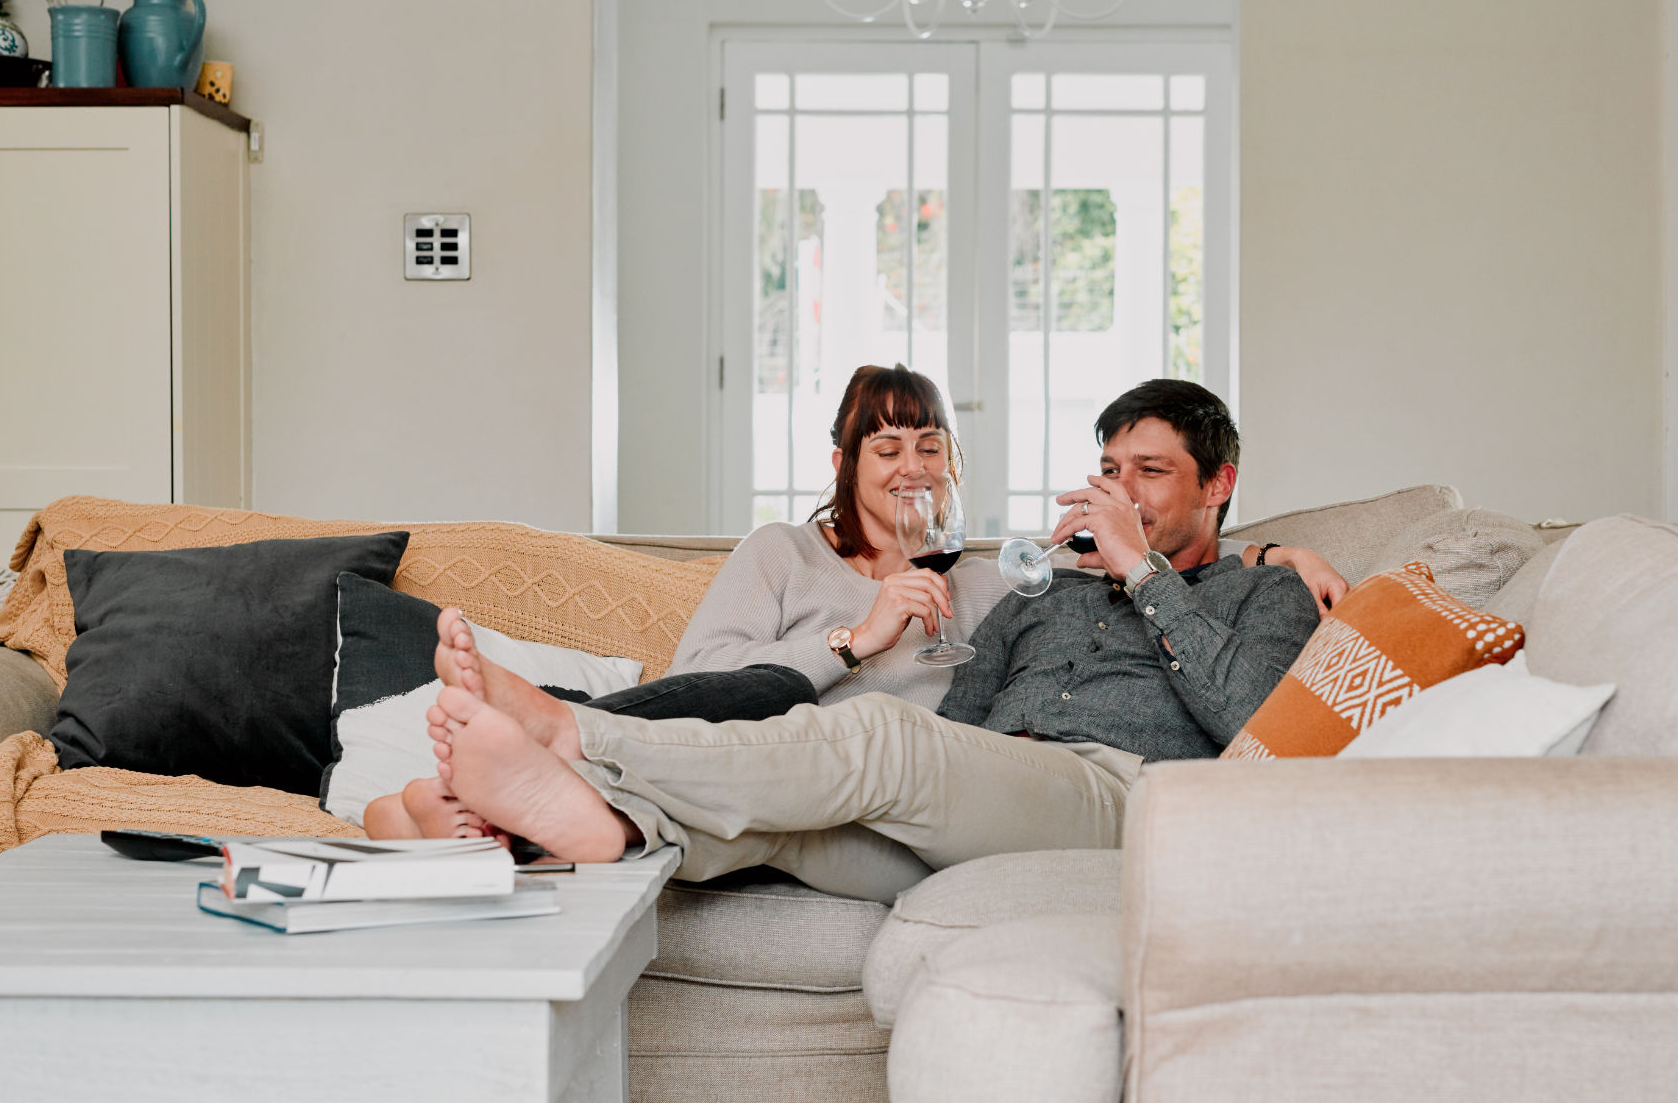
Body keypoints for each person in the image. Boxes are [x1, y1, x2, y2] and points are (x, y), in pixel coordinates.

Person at [416, 379, 1323, 898]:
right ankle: (583, 823)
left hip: (1122, 798)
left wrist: (1150, 570)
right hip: (993, 804)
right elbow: (960, 722)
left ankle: (575, 732)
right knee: (781, 826)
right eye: (1110, 471)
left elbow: (1249, 714)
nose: (1119, 493)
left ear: (1218, 483)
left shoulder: (1266, 591)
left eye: (1150, 473)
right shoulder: (1045, 592)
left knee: (884, 737)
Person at [365, 365, 1002, 897]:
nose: (913, 467)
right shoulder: (784, 552)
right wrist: (854, 641)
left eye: (930, 447)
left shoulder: (983, 587)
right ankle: (503, 797)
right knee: (748, 727)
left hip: (860, 801)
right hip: (730, 761)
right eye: (888, 450)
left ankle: (494, 784)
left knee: (748, 800)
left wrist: (1069, 550)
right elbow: (700, 679)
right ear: (845, 463)